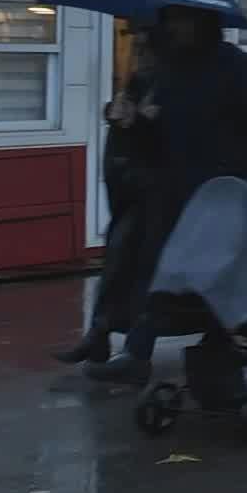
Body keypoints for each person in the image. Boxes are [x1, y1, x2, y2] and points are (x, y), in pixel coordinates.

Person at [87, 4, 247, 384]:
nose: (174, 27)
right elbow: (159, 136)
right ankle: (138, 352)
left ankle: (221, 345)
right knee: (159, 269)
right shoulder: (171, 68)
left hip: (221, 188)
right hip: (171, 189)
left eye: (182, 20)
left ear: (204, 23)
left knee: (209, 275)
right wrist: (133, 122)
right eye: (170, 20)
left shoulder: (238, 69)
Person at [57, 25, 162, 364]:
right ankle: (100, 334)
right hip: (129, 186)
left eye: (145, 48)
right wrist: (116, 113)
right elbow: (125, 122)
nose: (140, 54)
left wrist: (142, 122)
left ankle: (116, 339)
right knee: (117, 257)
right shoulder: (140, 81)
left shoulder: (172, 83)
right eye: (138, 48)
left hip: (157, 189)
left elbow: (172, 135)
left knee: (133, 262)